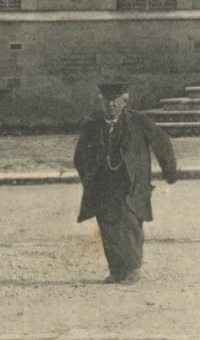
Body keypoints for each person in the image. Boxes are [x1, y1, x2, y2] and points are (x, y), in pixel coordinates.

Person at [74, 80, 179, 284]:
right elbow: (79, 155)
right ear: (101, 100)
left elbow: (162, 141)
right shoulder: (92, 124)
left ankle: (132, 269)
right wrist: (89, 178)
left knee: (130, 224)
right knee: (107, 226)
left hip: (131, 184)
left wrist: (170, 171)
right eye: (106, 100)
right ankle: (116, 270)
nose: (110, 105)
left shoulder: (138, 121)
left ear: (125, 100)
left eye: (115, 101)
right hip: (103, 185)